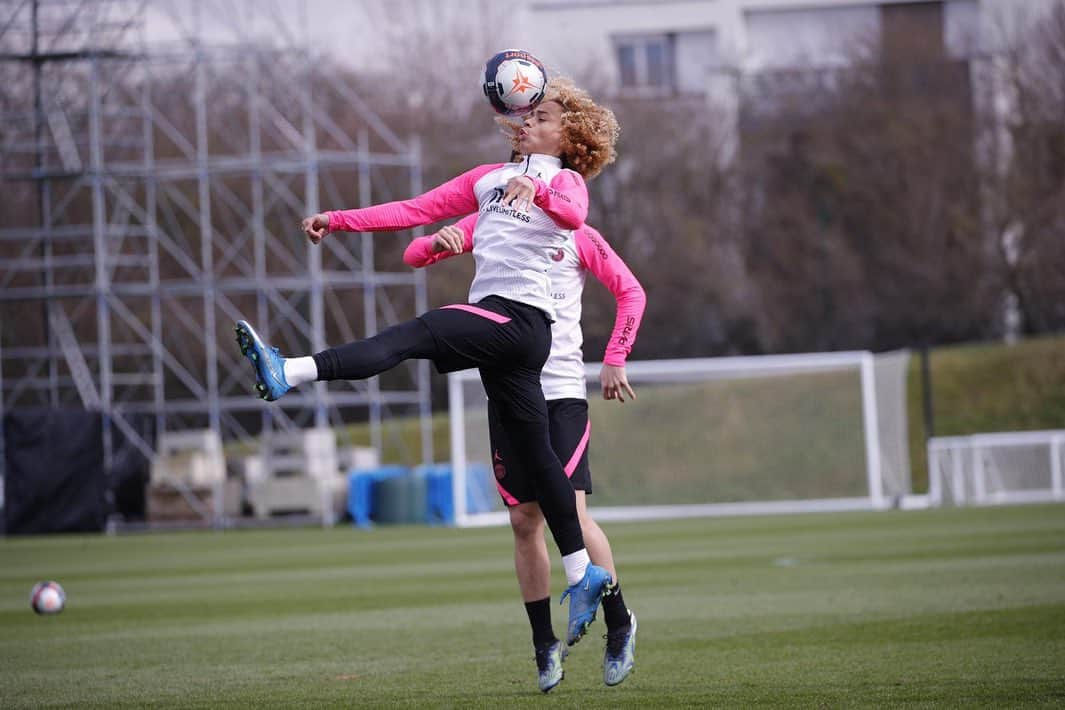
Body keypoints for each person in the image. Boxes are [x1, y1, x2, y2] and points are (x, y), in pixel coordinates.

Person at [233, 77, 620, 692]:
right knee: (537, 472)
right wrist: (338, 220)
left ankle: (292, 371)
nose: (527, 121)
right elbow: (413, 213)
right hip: (516, 347)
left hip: (519, 322)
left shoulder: (563, 180)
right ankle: (582, 574)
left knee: (411, 336)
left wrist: (538, 188)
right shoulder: (487, 181)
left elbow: (573, 212)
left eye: (542, 116)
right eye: (525, 115)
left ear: (568, 138)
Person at [404, 210, 645, 688]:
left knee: (571, 515)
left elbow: (631, 291)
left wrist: (615, 357)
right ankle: (544, 646)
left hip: (560, 395)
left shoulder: (578, 234)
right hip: (509, 390)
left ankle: (619, 624)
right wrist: (434, 246)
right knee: (522, 522)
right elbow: (413, 253)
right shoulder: (493, 218)